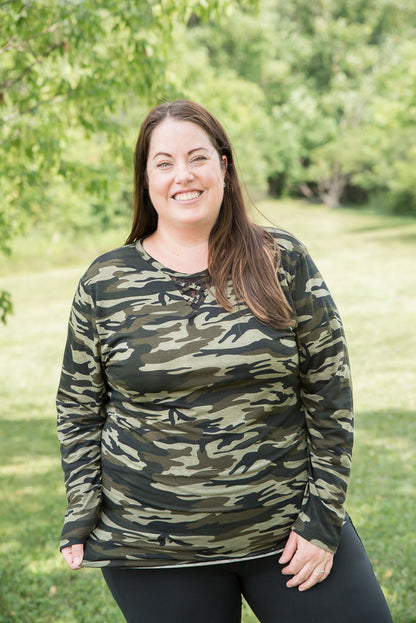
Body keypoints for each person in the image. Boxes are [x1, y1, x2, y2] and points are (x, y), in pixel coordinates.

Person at [57, 99, 393, 623]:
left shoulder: (283, 260)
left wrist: (322, 520)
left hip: (288, 537)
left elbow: (330, 396)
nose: (182, 176)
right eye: (163, 163)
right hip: (152, 550)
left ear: (224, 165)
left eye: (197, 157)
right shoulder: (105, 282)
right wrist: (82, 506)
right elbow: (78, 410)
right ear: (145, 179)